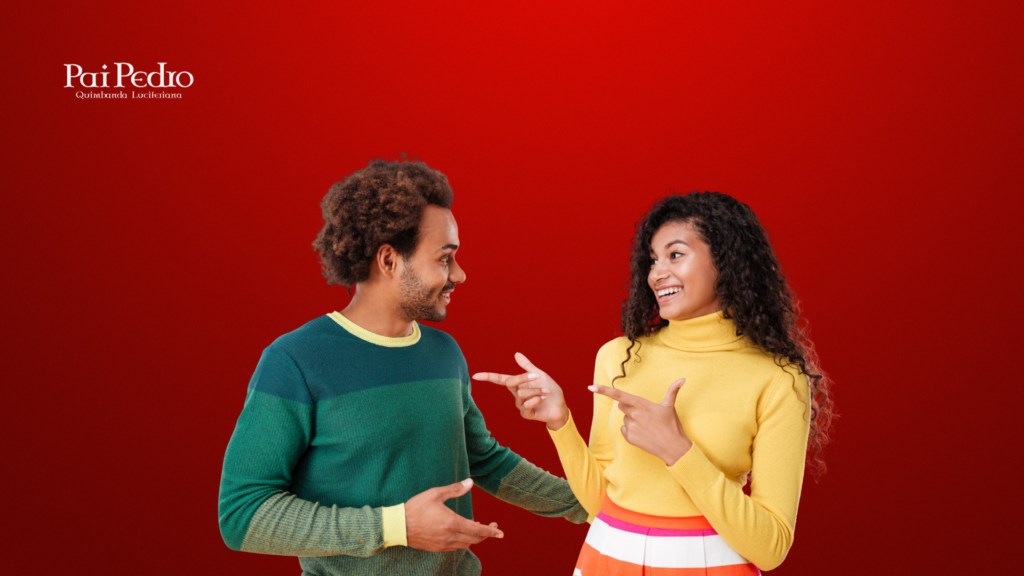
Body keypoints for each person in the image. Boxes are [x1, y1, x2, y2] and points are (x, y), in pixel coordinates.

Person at [218, 159, 588, 576]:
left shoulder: (445, 353)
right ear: (390, 260)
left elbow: (483, 460)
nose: (460, 275)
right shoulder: (294, 361)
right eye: (445, 259)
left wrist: (597, 506)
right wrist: (396, 527)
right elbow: (242, 515)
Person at [474, 192, 833, 574]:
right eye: (652, 260)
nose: (656, 273)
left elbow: (771, 547)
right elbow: (599, 503)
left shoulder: (778, 378)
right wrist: (560, 423)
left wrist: (678, 451)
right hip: (603, 561)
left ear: (726, 261)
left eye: (675, 255)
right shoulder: (618, 356)